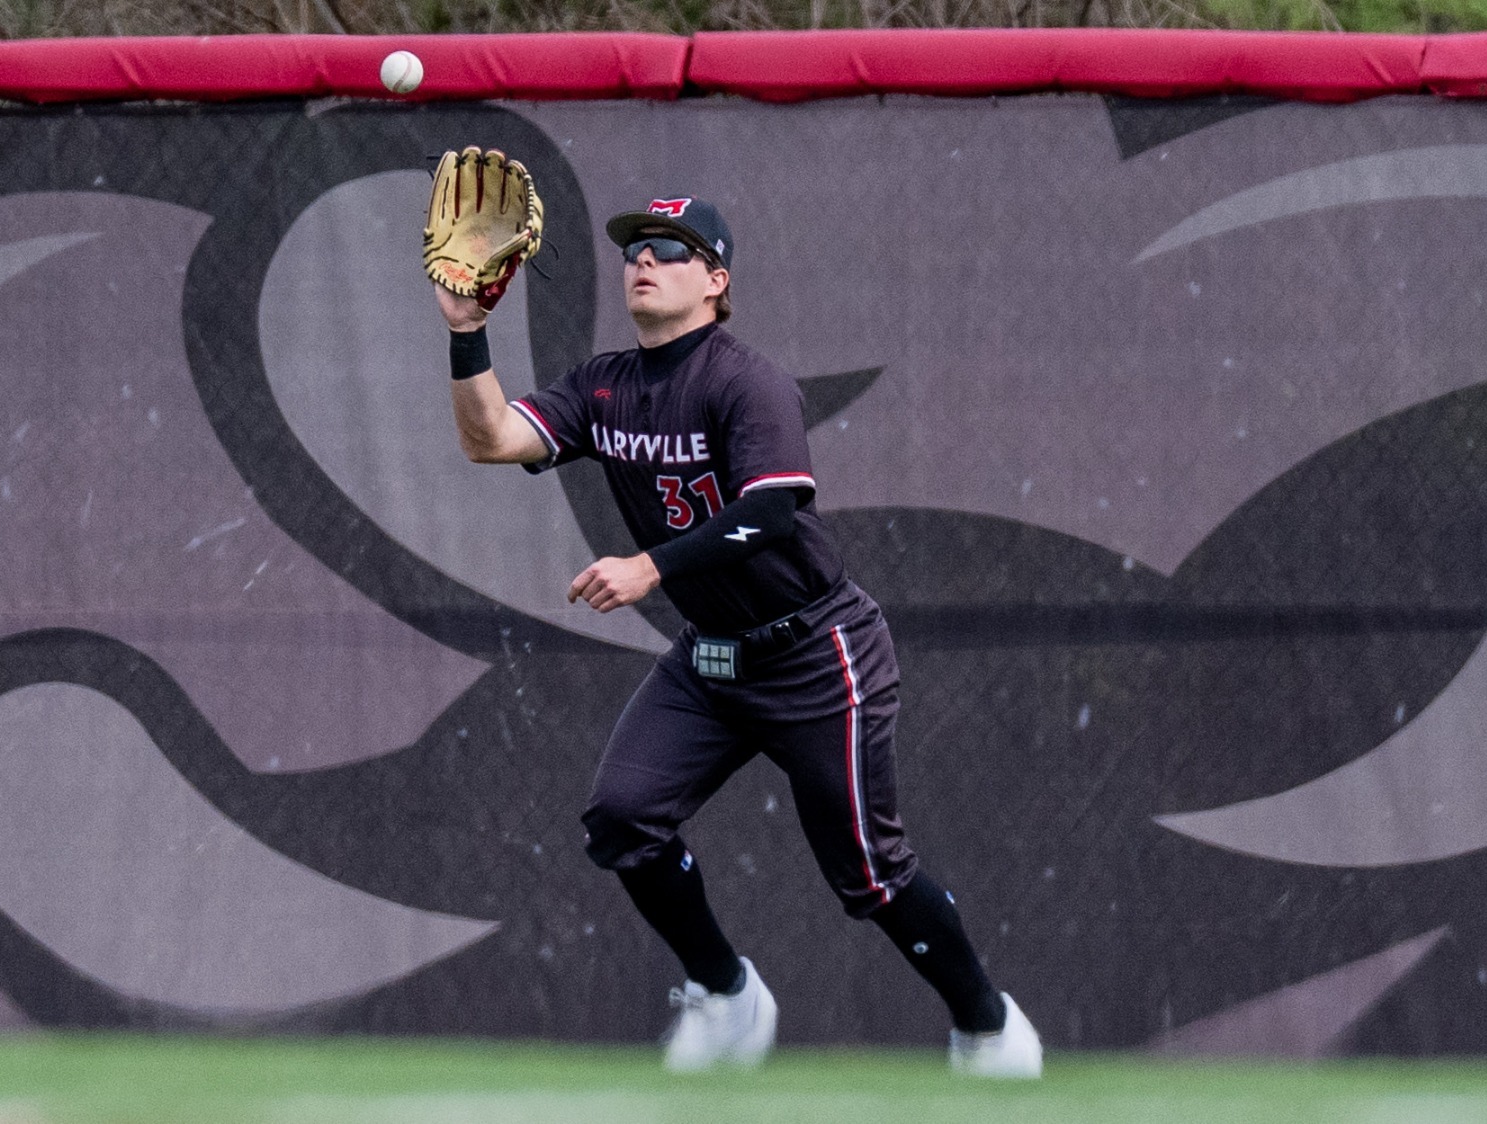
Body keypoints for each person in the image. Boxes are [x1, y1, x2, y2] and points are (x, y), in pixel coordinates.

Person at [436, 194, 1042, 1077]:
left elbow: (771, 509)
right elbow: (489, 438)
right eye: (637, 247)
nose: (645, 259)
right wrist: (465, 330)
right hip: (711, 659)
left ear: (716, 282)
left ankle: (987, 1026)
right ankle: (727, 995)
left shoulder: (742, 379)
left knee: (870, 874)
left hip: (818, 651)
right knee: (622, 818)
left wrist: (649, 566)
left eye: (672, 250)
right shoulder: (603, 385)